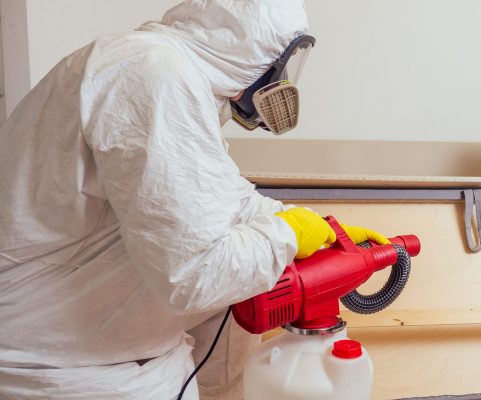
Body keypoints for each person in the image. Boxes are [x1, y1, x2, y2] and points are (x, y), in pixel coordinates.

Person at [0, 0, 387, 399]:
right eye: (280, 63)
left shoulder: (160, 70)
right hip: (68, 375)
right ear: (249, 50)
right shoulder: (153, 76)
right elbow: (193, 274)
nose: (281, 82)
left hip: (107, 361)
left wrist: (311, 226)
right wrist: (286, 235)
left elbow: (222, 199)